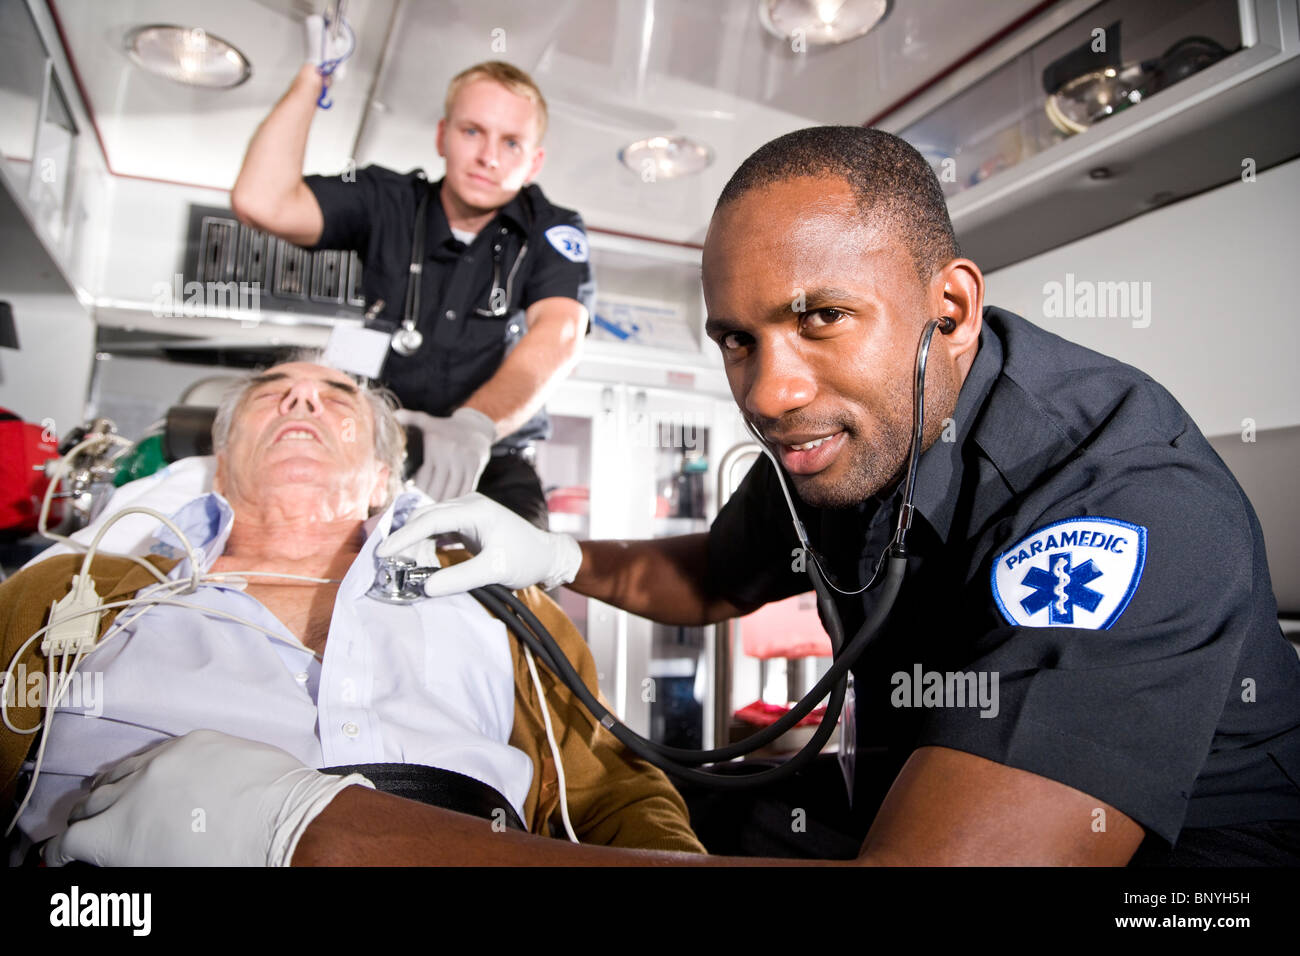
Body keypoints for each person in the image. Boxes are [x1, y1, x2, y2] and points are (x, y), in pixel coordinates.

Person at [42, 127, 1300, 867]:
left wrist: (314, 835)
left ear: (951, 310)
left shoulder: (1121, 501)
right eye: (736, 339)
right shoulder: (841, 443)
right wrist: (543, 552)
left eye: (818, 318)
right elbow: (700, 577)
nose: (772, 388)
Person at [1, 361, 702, 865]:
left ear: (381, 478)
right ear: (221, 464)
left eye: (336, 396)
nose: (301, 401)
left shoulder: (502, 601)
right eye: (270, 394)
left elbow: (616, 791)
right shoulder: (73, 592)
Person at [231, 59, 594, 529]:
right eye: (472, 132)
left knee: (517, 588)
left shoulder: (552, 227)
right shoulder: (386, 200)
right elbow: (261, 201)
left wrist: (475, 426)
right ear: (442, 135)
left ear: (534, 162)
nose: (489, 157)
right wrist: (310, 80)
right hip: (382, 448)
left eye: (511, 143)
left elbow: (562, 331)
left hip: (490, 454)